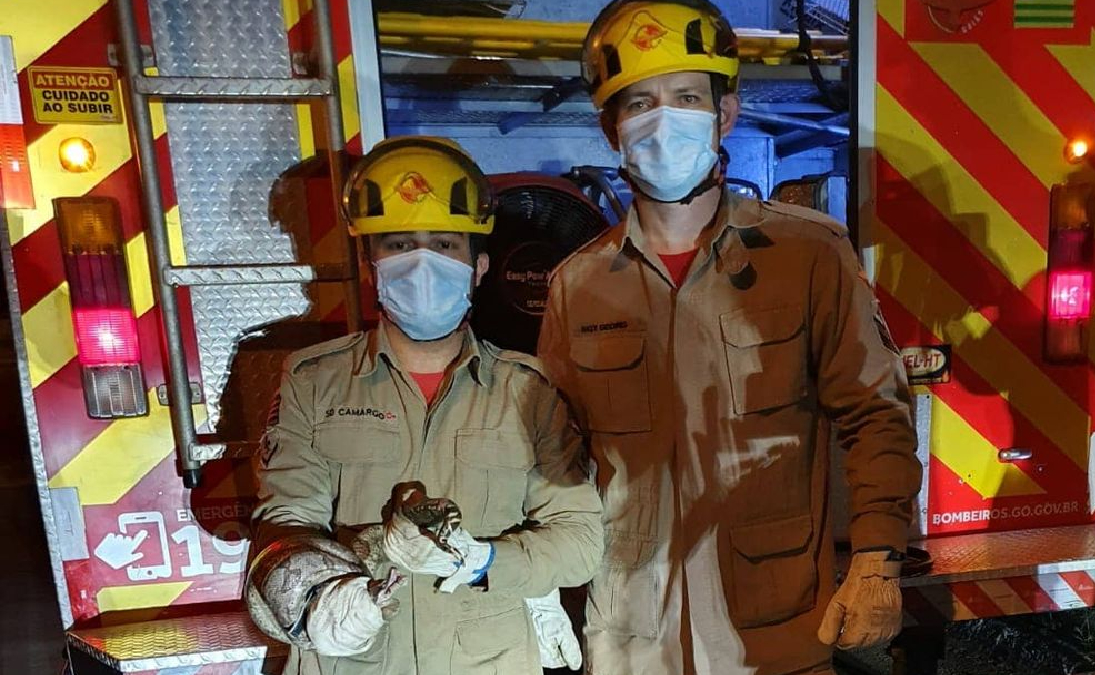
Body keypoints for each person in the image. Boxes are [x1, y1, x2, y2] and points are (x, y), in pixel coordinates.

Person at [536, 2, 923, 674]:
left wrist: (876, 557)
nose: (664, 119)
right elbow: (553, 458)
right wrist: (534, 580)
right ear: (610, 129)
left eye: (687, 96)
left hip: (773, 635)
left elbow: (874, 413)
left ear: (726, 114)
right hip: (631, 639)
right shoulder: (578, 285)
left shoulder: (809, 253)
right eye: (641, 103)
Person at [248, 136, 603, 675]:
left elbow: (579, 541)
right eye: (399, 244)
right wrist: (319, 592)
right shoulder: (314, 382)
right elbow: (285, 521)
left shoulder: (526, 390)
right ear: (371, 265)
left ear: (478, 267)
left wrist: (487, 563)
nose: (422, 264)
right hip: (356, 660)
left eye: (443, 244)